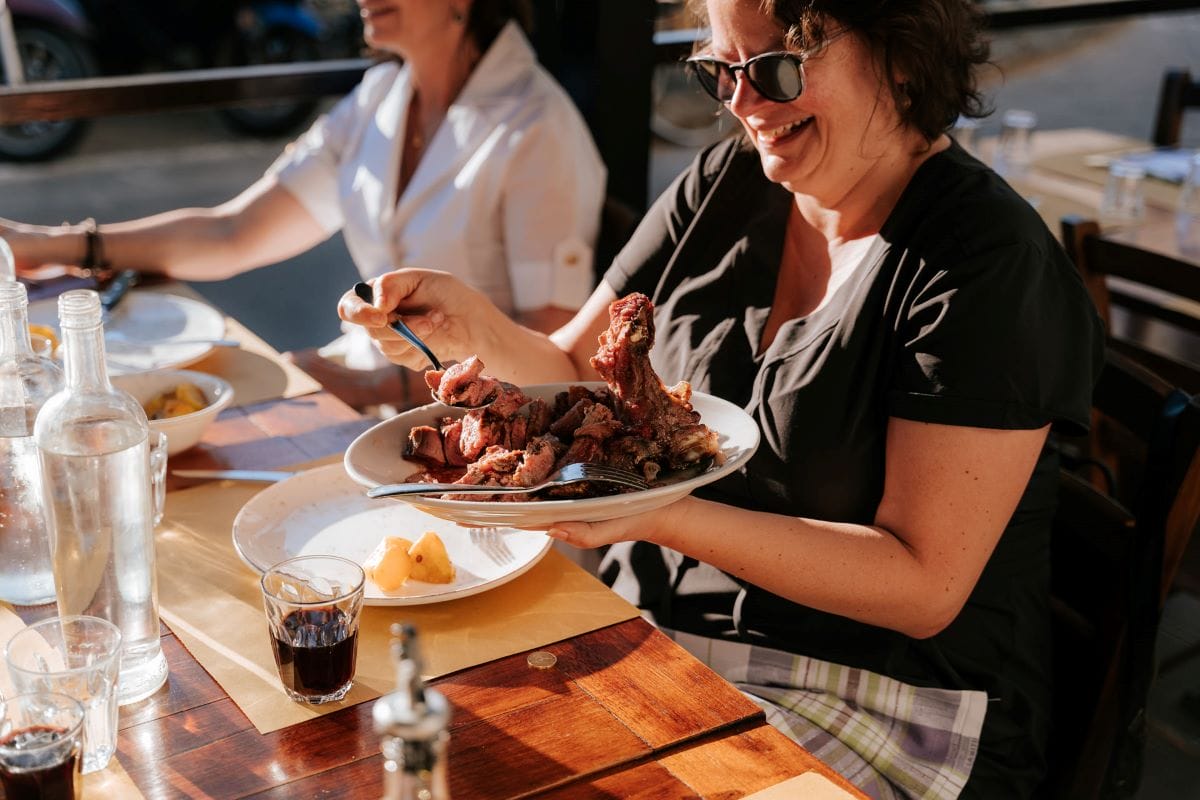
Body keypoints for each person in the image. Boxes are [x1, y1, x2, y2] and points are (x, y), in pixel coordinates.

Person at [339, 0, 1104, 797]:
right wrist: (472, 323)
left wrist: (655, 513)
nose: (743, 104)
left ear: (901, 50)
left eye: (776, 68)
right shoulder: (724, 182)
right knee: (414, 743)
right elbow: (569, 364)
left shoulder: (985, 262)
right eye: (719, 71)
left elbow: (923, 588)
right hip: (661, 637)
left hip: (882, 698)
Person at [0, 0, 605, 410]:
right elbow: (234, 232)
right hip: (369, 412)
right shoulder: (381, 97)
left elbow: (555, 367)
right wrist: (41, 244)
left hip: (497, 466)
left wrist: (372, 383)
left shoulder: (538, 130)